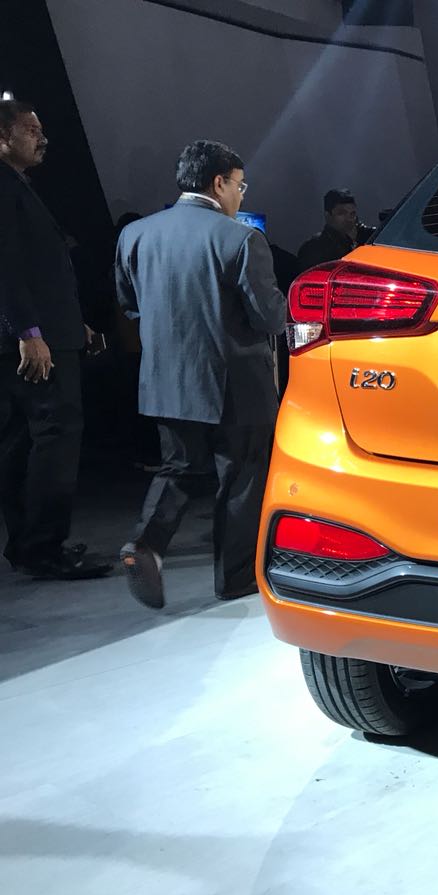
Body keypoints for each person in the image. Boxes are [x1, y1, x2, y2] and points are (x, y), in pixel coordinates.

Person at [114, 140, 287, 608]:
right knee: (242, 475)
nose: (241, 196)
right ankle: (235, 577)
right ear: (219, 183)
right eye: (240, 186)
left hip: (166, 376)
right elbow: (269, 317)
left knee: (180, 468)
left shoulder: (135, 235)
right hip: (236, 379)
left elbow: (129, 304)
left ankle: (145, 543)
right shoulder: (240, 238)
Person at [0, 100, 112, 579]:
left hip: (44, 333)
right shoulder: (5, 187)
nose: (42, 138)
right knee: (55, 438)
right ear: (2, 137)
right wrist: (30, 332)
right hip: (35, 341)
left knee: (22, 442)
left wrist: (74, 323)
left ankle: (27, 544)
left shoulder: (17, 185)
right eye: (30, 130)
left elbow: (39, 270)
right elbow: (7, 266)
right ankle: (45, 548)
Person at [296, 188, 362, 270]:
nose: (349, 218)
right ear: (328, 215)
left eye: (352, 213)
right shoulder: (312, 248)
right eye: (342, 213)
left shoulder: (363, 239)